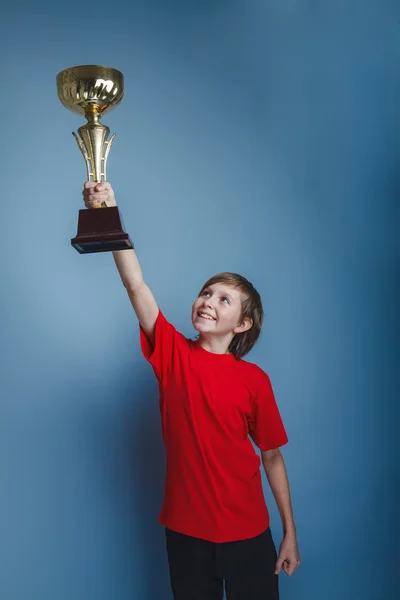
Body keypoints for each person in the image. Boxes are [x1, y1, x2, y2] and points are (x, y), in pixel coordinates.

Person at [83, 181, 301, 599]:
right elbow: (136, 286)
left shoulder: (254, 380)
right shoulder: (172, 353)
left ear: (242, 324)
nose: (208, 301)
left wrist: (289, 533)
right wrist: (107, 211)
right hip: (185, 533)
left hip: (249, 533)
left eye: (224, 300)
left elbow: (271, 456)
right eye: (206, 293)